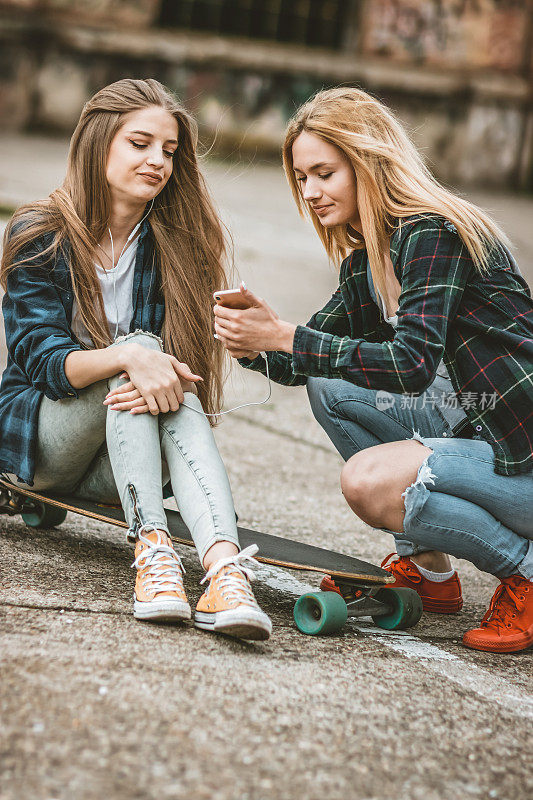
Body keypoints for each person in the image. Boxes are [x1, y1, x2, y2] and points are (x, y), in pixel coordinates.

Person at [214, 87, 533, 654]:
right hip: (485, 442)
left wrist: (285, 335)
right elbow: (307, 357)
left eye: (324, 173)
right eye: (301, 178)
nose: (310, 192)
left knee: (368, 481)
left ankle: (525, 572)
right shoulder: (370, 260)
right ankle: (429, 572)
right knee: (330, 384)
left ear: (367, 162)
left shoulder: (432, 232)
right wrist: (248, 339)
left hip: (522, 456)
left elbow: (410, 363)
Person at [0, 78, 271, 641]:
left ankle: (222, 571)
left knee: (157, 375)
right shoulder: (40, 233)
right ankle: (154, 550)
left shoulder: (173, 242)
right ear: (99, 144)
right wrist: (130, 356)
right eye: (140, 144)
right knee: (144, 355)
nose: (158, 162)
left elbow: (179, 384)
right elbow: (43, 362)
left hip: (123, 457)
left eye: (169, 151)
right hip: (45, 440)